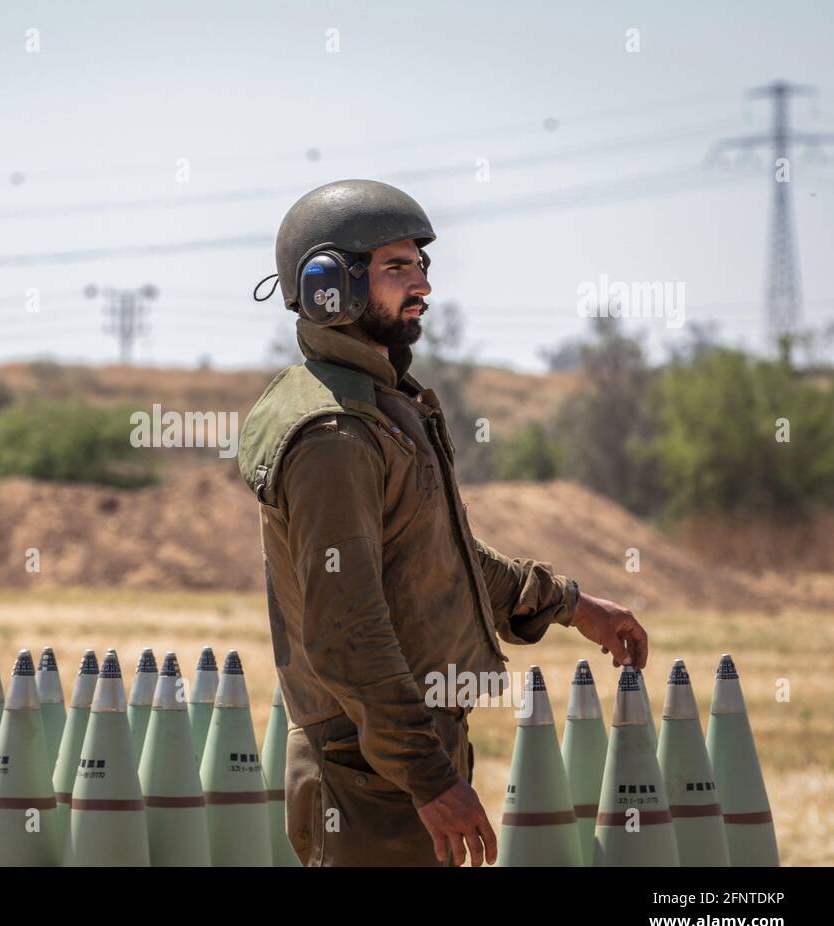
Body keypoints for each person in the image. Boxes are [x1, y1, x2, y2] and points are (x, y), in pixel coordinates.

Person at [237, 179, 649, 866]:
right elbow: (346, 628)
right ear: (327, 286)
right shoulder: (332, 432)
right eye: (398, 267)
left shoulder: (378, 405)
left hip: (394, 756)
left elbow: (440, 557)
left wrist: (572, 606)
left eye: (422, 265)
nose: (422, 285)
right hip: (372, 774)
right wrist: (427, 780)